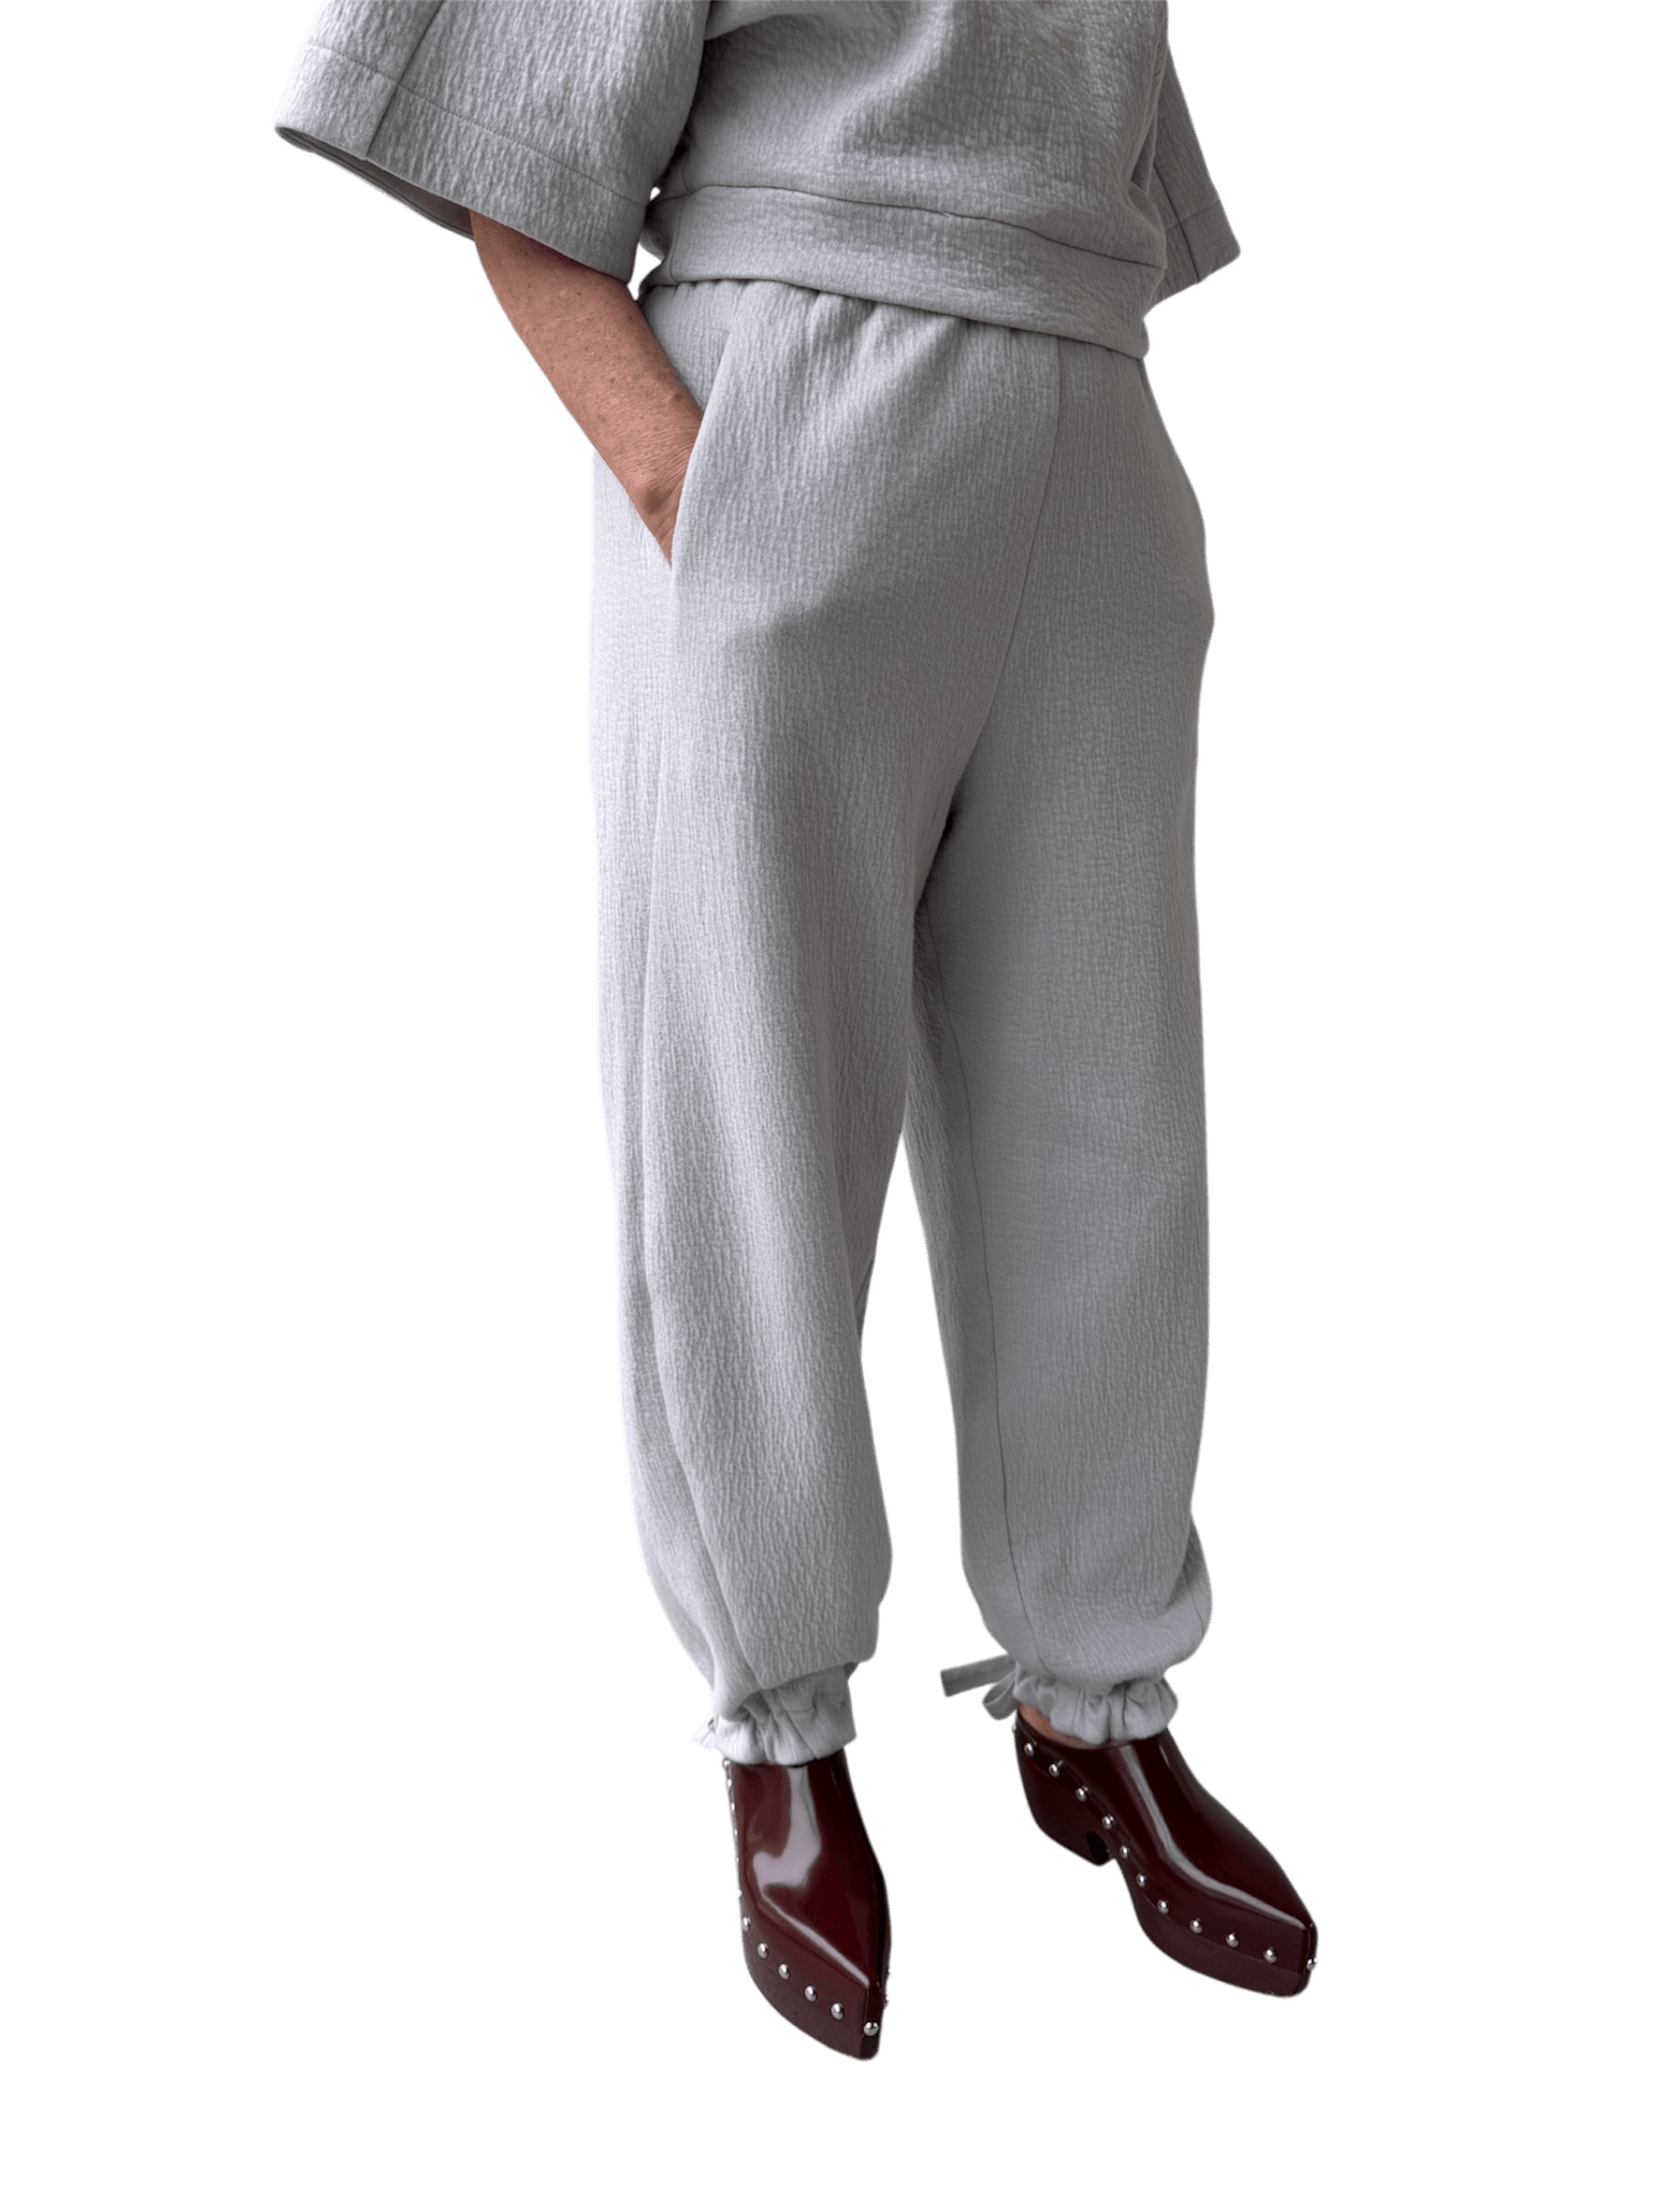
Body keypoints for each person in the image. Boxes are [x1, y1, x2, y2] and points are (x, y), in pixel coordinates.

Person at [272, 0, 1319, 2058]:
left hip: (1093, 409)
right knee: (749, 1095)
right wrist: (692, 482)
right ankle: (781, 1726)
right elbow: (511, 139)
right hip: (797, 389)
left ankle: (1097, 1694)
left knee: (1108, 1116)